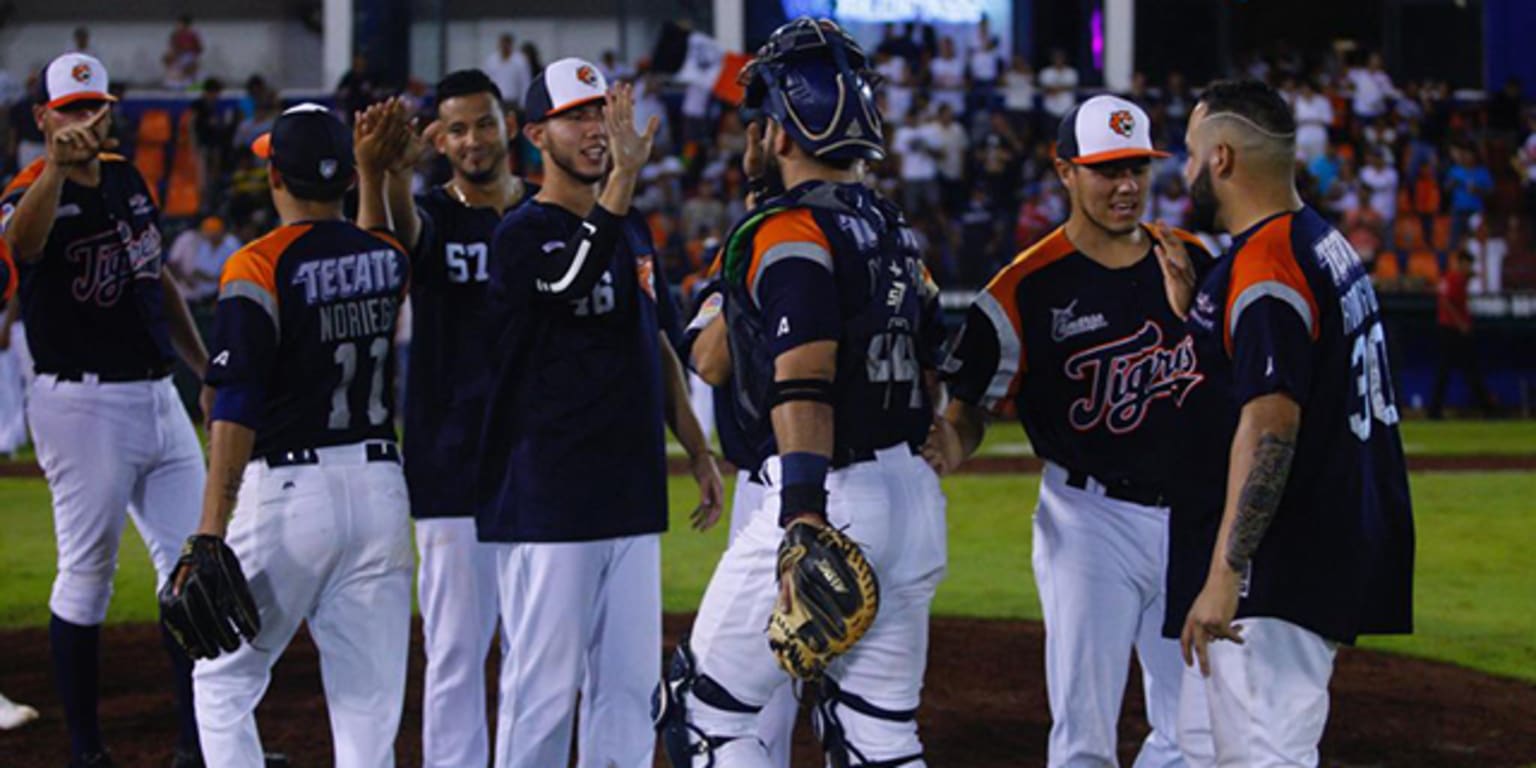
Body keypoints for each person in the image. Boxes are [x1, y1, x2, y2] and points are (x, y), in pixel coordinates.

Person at [660, 19, 948, 767]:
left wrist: (802, 516)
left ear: (781, 131)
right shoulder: (892, 229)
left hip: (828, 497)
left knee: (704, 716)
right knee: (878, 734)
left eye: (760, 120)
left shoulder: (785, 231)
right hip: (908, 498)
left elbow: (793, 374)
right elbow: (938, 359)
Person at [927, 94, 1211, 768]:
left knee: (1196, 735)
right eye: (1107, 170)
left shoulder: (1191, 257)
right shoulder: (1024, 289)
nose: (1126, 186)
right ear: (1065, 173)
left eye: (1137, 169)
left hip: (1193, 516)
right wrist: (945, 445)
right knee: (1085, 738)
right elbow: (972, 408)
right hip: (1089, 524)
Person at [476, 59, 723, 768]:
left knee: (627, 692)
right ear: (534, 136)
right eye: (577, 117)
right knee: (544, 693)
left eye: (602, 112)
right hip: (550, 494)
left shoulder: (634, 227)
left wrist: (698, 451)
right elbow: (563, 285)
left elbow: (659, 342)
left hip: (630, 488)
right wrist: (620, 186)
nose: (596, 129)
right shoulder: (520, 234)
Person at [1169, 79, 1415, 767]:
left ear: (1221, 158)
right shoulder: (1318, 239)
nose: (1184, 171)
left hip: (1280, 563)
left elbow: (1270, 429)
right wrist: (1200, 308)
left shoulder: (1266, 264)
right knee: (1208, 747)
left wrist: (1227, 568)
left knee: (1265, 754)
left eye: (1190, 154)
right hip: (1321, 539)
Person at [185, 103, 413, 768]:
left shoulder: (254, 265)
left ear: (274, 177)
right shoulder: (389, 256)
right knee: (368, 711)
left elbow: (235, 405)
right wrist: (371, 175)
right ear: (343, 175)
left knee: (223, 683)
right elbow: (366, 244)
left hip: (287, 493)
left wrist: (209, 529)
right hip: (379, 488)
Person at [0, 52, 210, 768]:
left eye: (96, 106)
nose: (87, 119)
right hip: (81, 401)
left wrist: (202, 366)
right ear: (43, 117)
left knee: (193, 572)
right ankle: (87, 751)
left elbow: (159, 282)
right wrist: (54, 168)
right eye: (72, 108)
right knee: (87, 574)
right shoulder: (28, 188)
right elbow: (20, 247)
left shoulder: (124, 175)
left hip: (156, 392)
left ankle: (197, 743)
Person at [352, 69, 532, 768]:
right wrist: (385, 173)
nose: (473, 139)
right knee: (457, 647)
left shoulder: (548, 213)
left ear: (509, 124)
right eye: (456, 128)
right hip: (451, 458)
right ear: (440, 138)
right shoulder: (432, 210)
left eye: (483, 123)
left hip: (536, 457)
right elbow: (386, 242)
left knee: (537, 646)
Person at [1428, 249, 1496, 418]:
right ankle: (1486, 408)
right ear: (1460, 263)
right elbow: (1446, 301)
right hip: (1451, 330)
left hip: (1452, 329)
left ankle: (1486, 408)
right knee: (1458, 370)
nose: (1469, 267)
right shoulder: (1454, 278)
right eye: (1467, 264)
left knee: (1464, 370)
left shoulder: (1457, 278)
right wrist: (1461, 323)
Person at [484, 33, 531, 110]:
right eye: (502, 44)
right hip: (497, 100)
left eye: (507, 44)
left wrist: (524, 103)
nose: (504, 47)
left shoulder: (520, 60)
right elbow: (488, 81)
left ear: (511, 45)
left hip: (513, 101)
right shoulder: (492, 61)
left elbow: (525, 83)